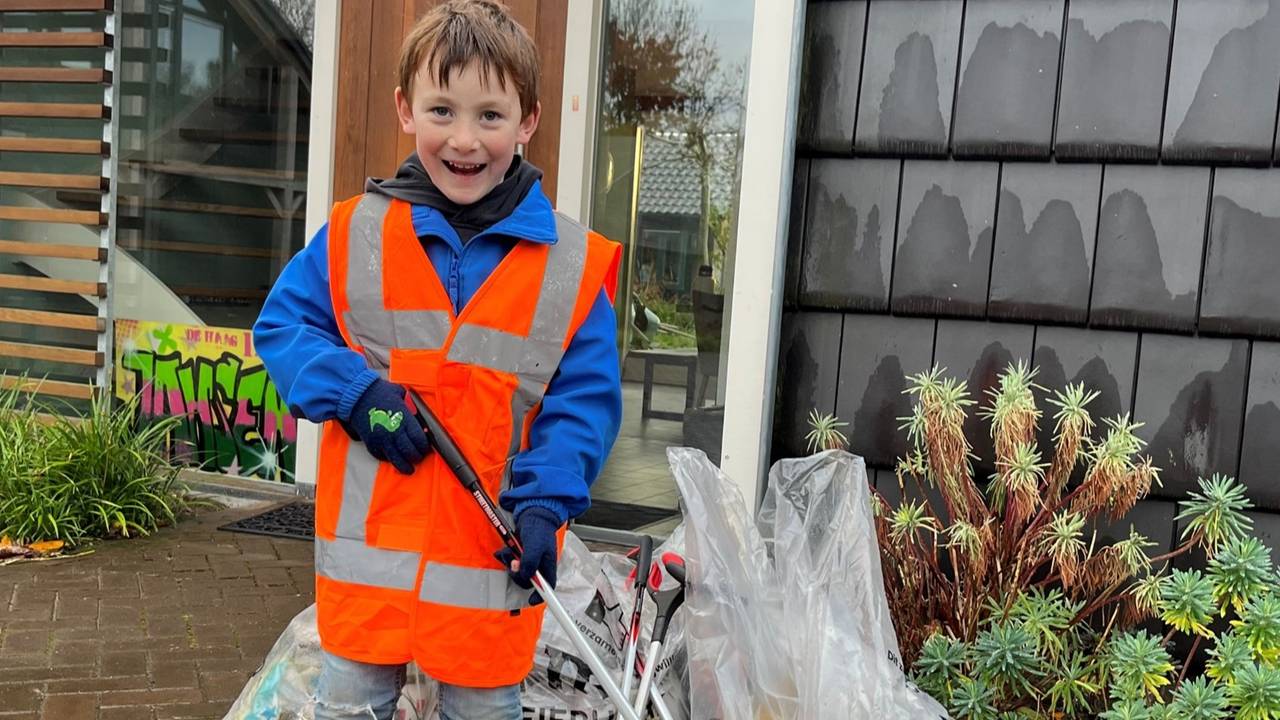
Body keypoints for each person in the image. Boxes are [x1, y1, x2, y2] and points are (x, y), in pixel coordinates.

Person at [252, 2, 622, 718]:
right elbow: (284, 327)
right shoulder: (354, 232)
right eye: (442, 110)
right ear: (404, 110)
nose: (464, 138)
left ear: (529, 121)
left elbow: (582, 404)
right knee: (349, 705)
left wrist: (547, 503)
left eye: (490, 115)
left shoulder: (570, 267)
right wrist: (356, 393)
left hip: (490, 563)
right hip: (369, 572)